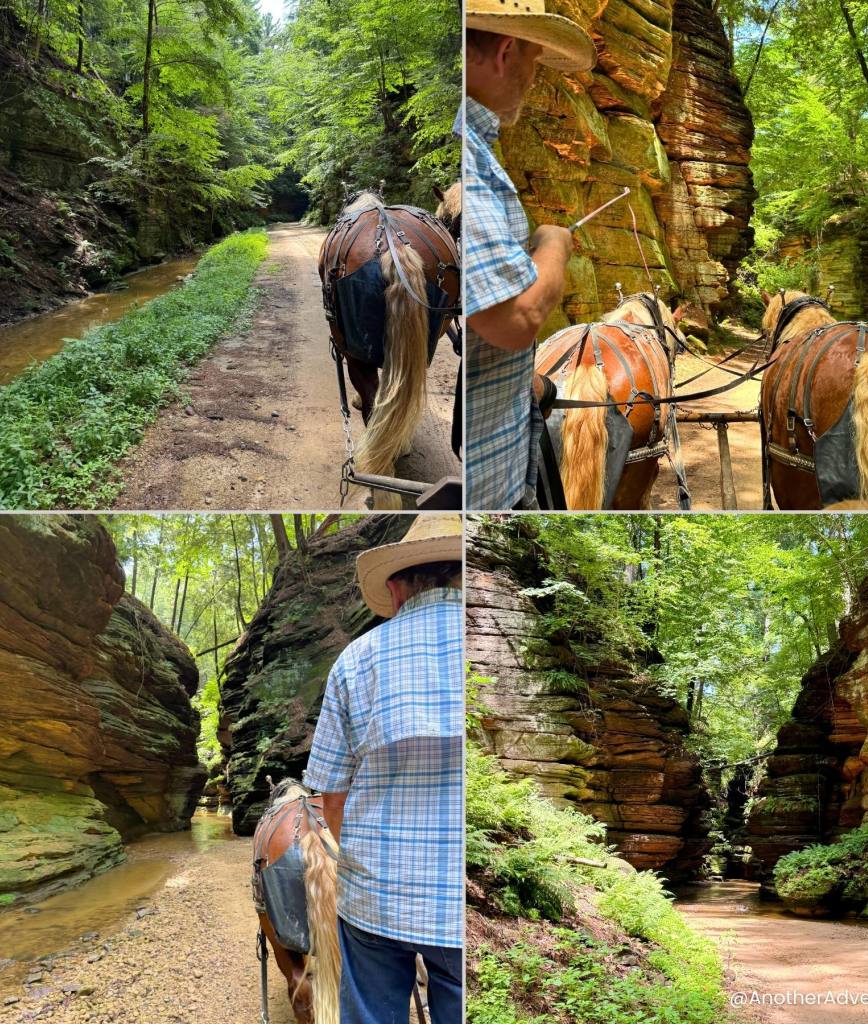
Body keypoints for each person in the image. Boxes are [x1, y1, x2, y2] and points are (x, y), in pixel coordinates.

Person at [303, 514, 464, 1024]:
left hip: (374, 898)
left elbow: (330, 797)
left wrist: (359, 864)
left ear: (395, 589)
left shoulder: (356, 659)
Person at [460, 0, 596, 510]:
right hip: (489, 489)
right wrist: (552, 244)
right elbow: (516, 319)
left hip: (505, 459)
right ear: (506, 52)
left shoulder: (478, 148)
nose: (534, 78)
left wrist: (523, 385)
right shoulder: (473, 158)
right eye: (534, 61)